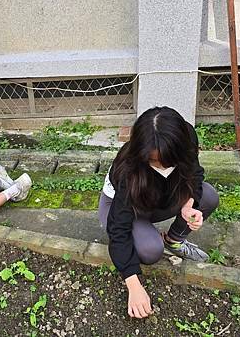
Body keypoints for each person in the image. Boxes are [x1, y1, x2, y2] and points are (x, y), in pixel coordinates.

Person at [98, 106, 219, 319]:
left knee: (208, 196)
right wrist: (133, 284)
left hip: (158, 199)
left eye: (167, 160)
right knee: (150, 250)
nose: (161, 165)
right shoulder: (130, 169)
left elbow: (195, 174)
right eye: (153, 160)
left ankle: (174, 240)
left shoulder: (185, 138)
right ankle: (146, 234)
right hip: (124, 207)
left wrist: (188, 204)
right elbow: (118, 229)